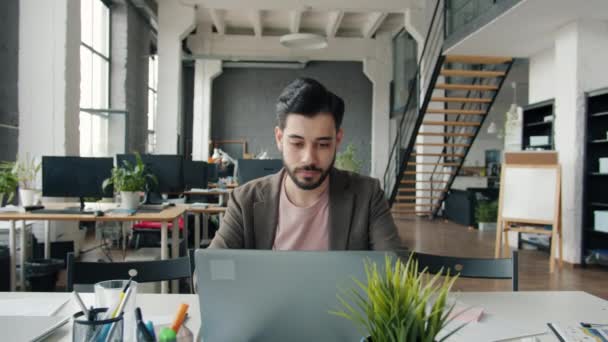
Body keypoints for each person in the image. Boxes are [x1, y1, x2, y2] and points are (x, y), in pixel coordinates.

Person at [209, 78, 401, 250]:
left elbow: (397, 272)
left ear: (338, 140)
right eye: (297, 143)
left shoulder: (367, 196)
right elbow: (208, 275)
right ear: (279, 138)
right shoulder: (245, 201)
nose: (309, 158)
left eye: (323, 144)